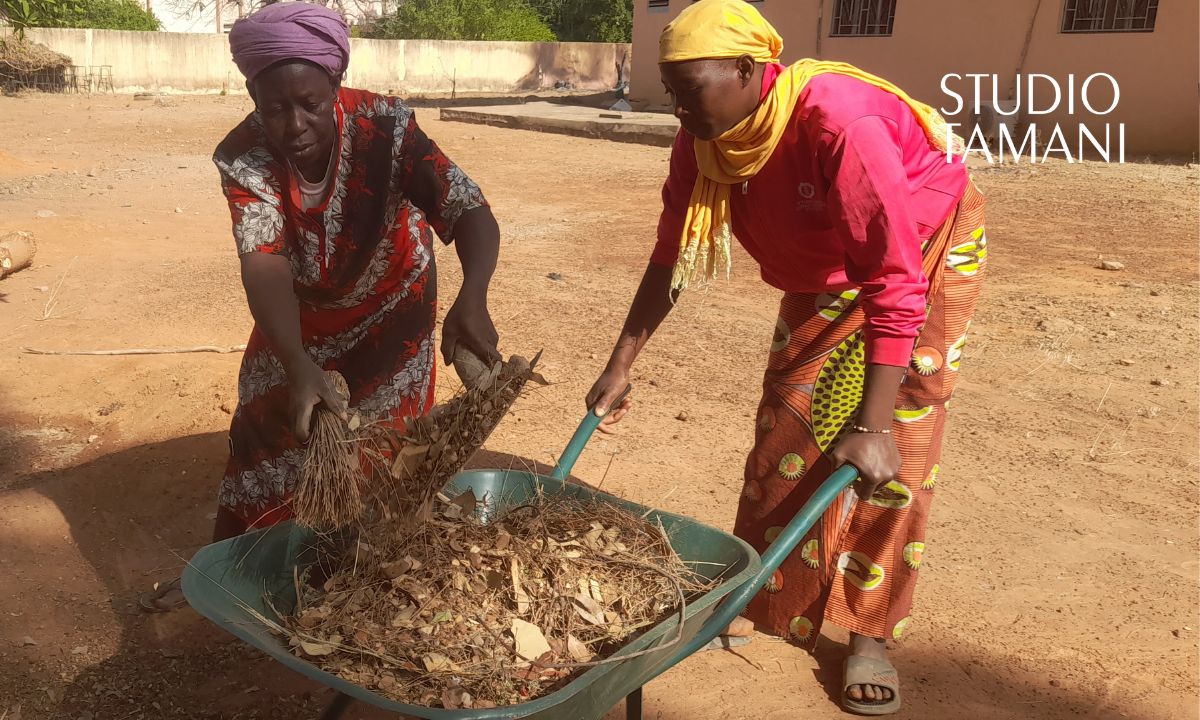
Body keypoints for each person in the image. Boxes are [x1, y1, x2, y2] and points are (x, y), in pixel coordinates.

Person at [586, 0, 986, 714]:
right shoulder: (705, 141)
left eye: (691, 88)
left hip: (921, 246)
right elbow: (671, 256)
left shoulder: (838, 122)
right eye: (671, 91)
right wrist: (622, 363)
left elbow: (894, 279)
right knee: (788, 430)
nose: (679, 109)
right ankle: (763, 592)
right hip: (822, 271)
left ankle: (869, 633)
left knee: (898, 448)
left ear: (748, 70)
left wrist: (872, 423)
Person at [141, 3, 501, 610]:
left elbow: (468, 209)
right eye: (275, 106)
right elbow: (264, 262)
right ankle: (232, 569)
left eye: (310, 102)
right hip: (297, 314)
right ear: (252, 93)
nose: (295, 123)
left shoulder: (387, 128)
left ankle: (361, 578)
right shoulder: (245, 156)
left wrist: (474, 296)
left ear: (335, 85)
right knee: (264, 420)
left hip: (394, 305)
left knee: (387, 446)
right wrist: (297, 360)